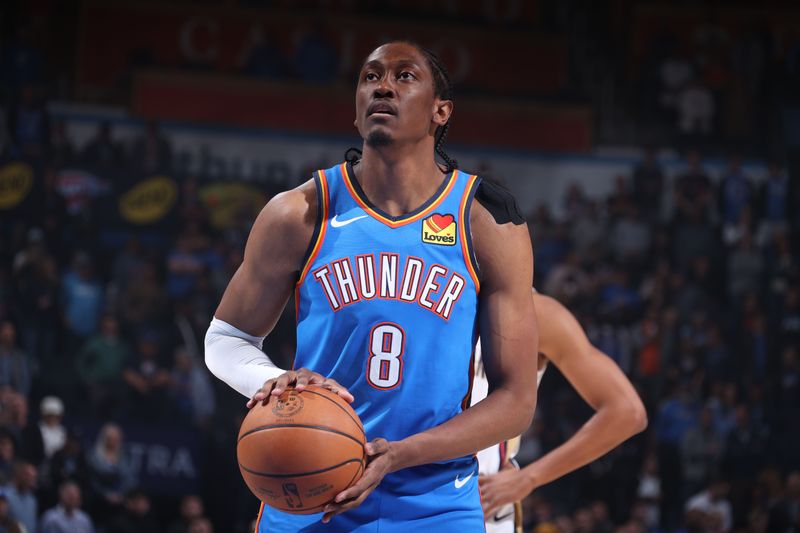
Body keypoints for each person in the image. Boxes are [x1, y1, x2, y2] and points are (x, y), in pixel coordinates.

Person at [205, 41, 539, 532]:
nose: (383, 85)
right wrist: (268, 379)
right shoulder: (299, 213)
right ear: (357, 113)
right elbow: (225, 340)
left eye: (405, 77)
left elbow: (516, 402)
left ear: (440, 111)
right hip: (309, 491)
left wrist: (399, 455)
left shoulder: (485, 220)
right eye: (370, 77)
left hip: (436, 498)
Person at [476, 291, 648, 532]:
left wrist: (528, 478)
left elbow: (628, 412)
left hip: (482, 501)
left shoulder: (537, 311)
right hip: (413, 483)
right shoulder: (421, 288)